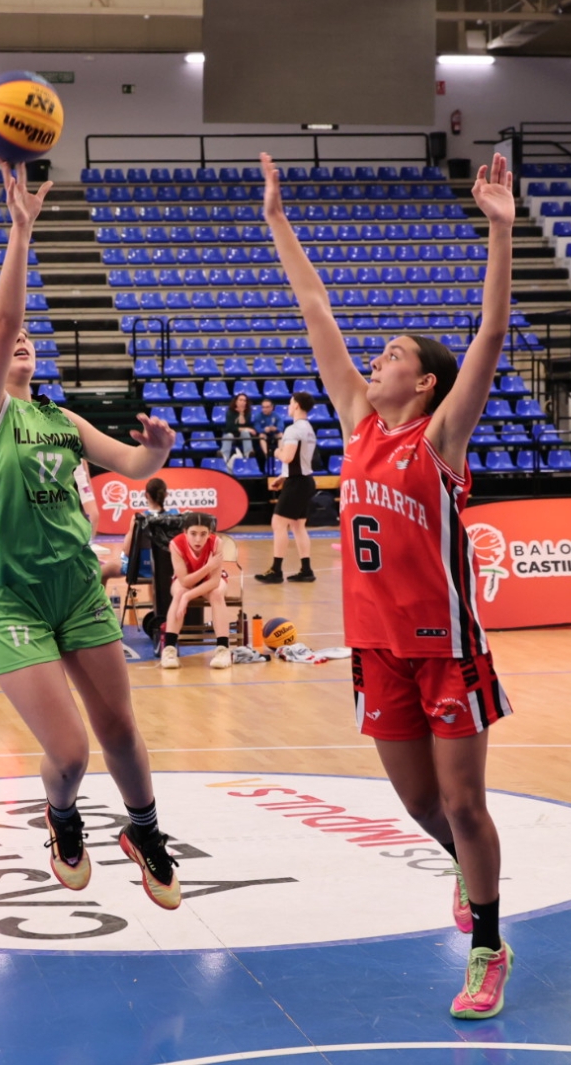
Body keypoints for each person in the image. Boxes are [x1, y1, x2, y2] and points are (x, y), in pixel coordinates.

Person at [261, 148, 517, 1019]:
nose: (377, 358)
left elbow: (489, 336)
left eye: (395, 354)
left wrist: (500, 231)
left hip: (447, 649)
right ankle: (463, 866)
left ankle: (487, 945)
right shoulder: (358, 425)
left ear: (429, 382)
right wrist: (277, 223)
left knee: (463, 801)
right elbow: (314, 307)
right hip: (379, 651)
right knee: (417, 803)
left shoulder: (438, 440)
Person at [0, 163, 182, 911]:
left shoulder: (60, 418)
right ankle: (61, 814)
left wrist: (157, 447)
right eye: (10, 339)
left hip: (78, 587)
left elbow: (133, 464)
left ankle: (144, 831)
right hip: (12, 596)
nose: (22, 340)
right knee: (71, 751)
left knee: (120, 729)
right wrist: (23, 227)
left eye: (28, 339)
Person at [255, 391, 317, 584]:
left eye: (291, 403)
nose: (289, 406)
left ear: (297, 405)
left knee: (278, 523)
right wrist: (283, 476)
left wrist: (277, 452)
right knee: (298, 526)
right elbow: (300, 460)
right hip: (305, 480)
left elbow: (289, 457)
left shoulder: (293, 429)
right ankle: (306, 570)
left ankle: (276, 570)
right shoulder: (308, 428)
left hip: (297, 482)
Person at [159, 513, 232, 671]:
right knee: (179, 593)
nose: (198, 539)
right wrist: (207, 567)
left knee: (216, 594)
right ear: (185, 532)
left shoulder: (216, 543)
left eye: (203, 534)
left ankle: (223, 650)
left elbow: (213, 581)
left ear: (209, 533)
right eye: (193, 533)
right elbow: (185, 581)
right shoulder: (176, 544)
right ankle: (169, 650)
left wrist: (188, 596)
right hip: (188, 577)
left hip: (210, 579)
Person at [220, 393, 256, 470]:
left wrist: (241, 413)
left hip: (241, 435)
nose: (243, 402)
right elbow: (230, 427)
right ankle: (224, 457)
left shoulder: (248, 412)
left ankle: (248, 455)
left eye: (244, 400)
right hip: (230, 433)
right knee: (229, 436)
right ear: (236, 401)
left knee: (245, 432)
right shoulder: (230, 412)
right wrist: (246, 429)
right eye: (240, 400)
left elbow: (243, 425)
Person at [251, 397, 284, 464]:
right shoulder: (258, 416)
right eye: (263, 407)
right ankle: (266, 455)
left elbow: (281, 427)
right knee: (261, 435)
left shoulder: (277, 416)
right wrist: (264, 430)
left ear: (272, 407)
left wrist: (275, 429)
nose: (265, 409)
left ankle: (281, 454)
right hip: (264, 435)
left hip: (274, 434)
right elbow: (257, 428)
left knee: (281, 435)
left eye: (267, 407)